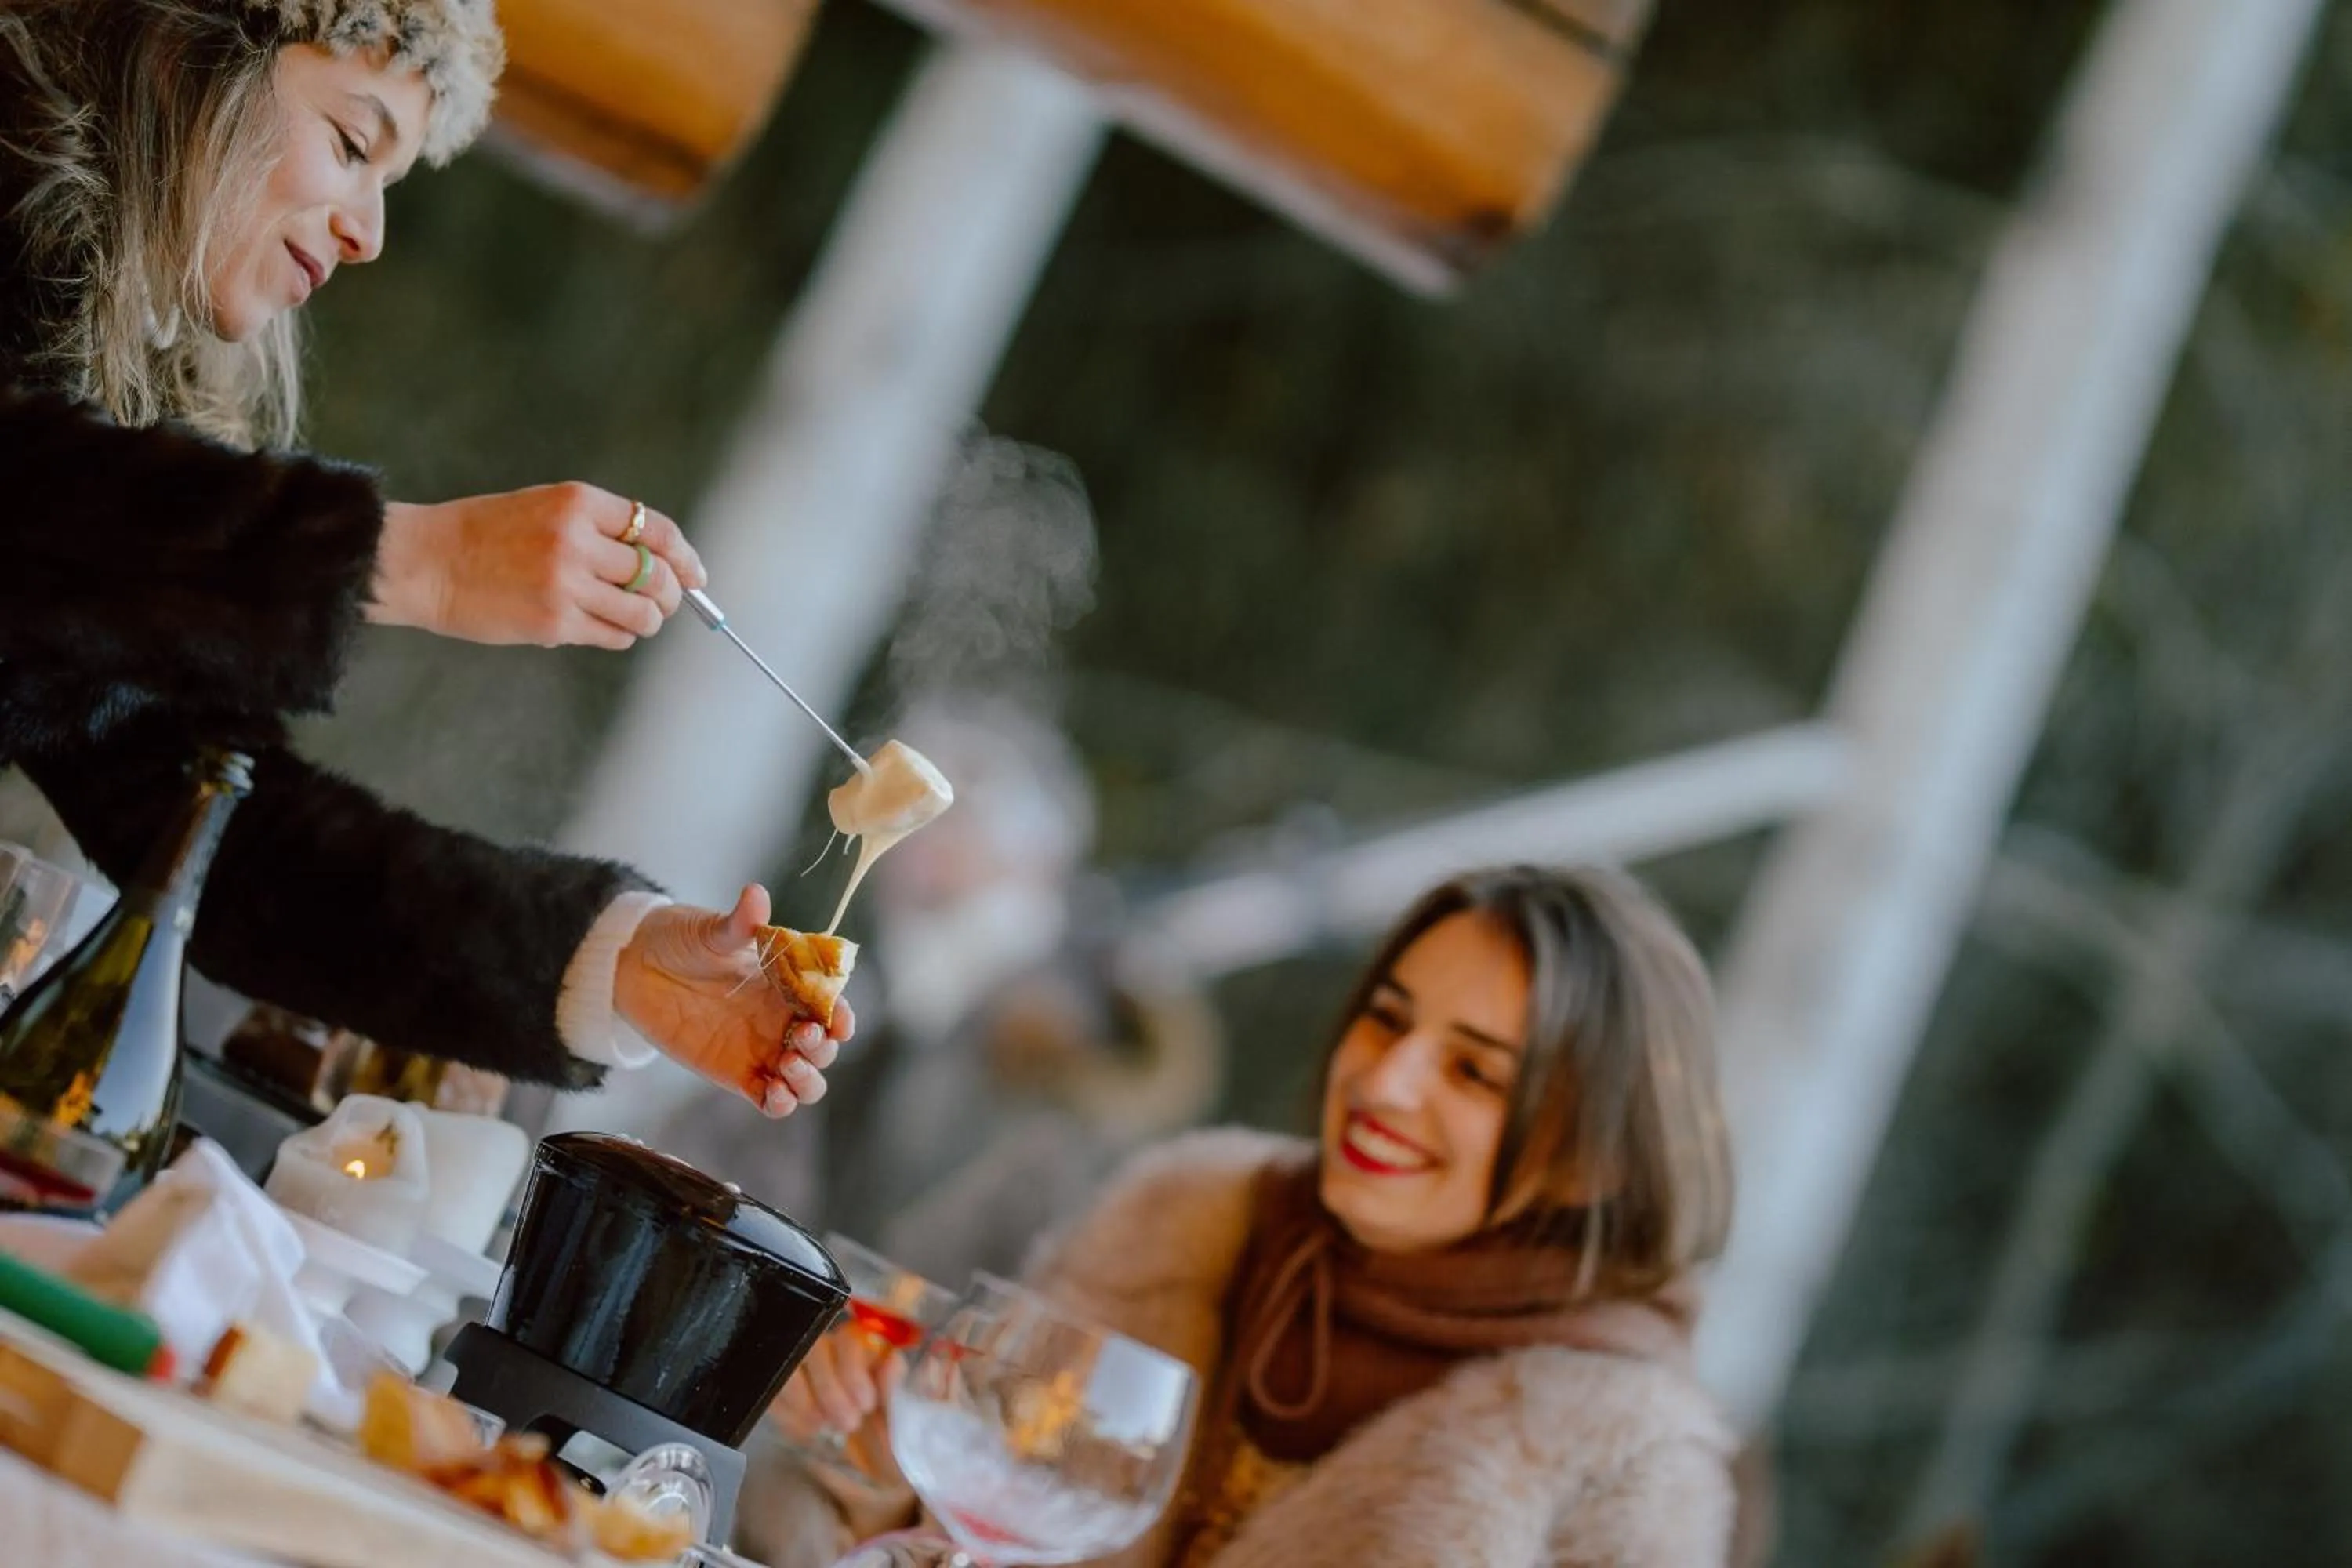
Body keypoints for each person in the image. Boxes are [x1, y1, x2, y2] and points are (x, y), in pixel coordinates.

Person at [0, 0, 849, 1113]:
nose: (369, 232)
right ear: (178, 52)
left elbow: (217, 827)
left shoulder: (105, 432)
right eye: (354, 143)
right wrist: (415, 560)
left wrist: (609, 959)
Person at [749, 865, 1740, 1567]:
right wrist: (877, 1474)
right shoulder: (1178, 1214)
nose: (1386, 1081)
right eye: (1388, 1017)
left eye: (1474, 1071)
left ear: (1590, 1155)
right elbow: (957, 1529)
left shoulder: (1633, 1470)